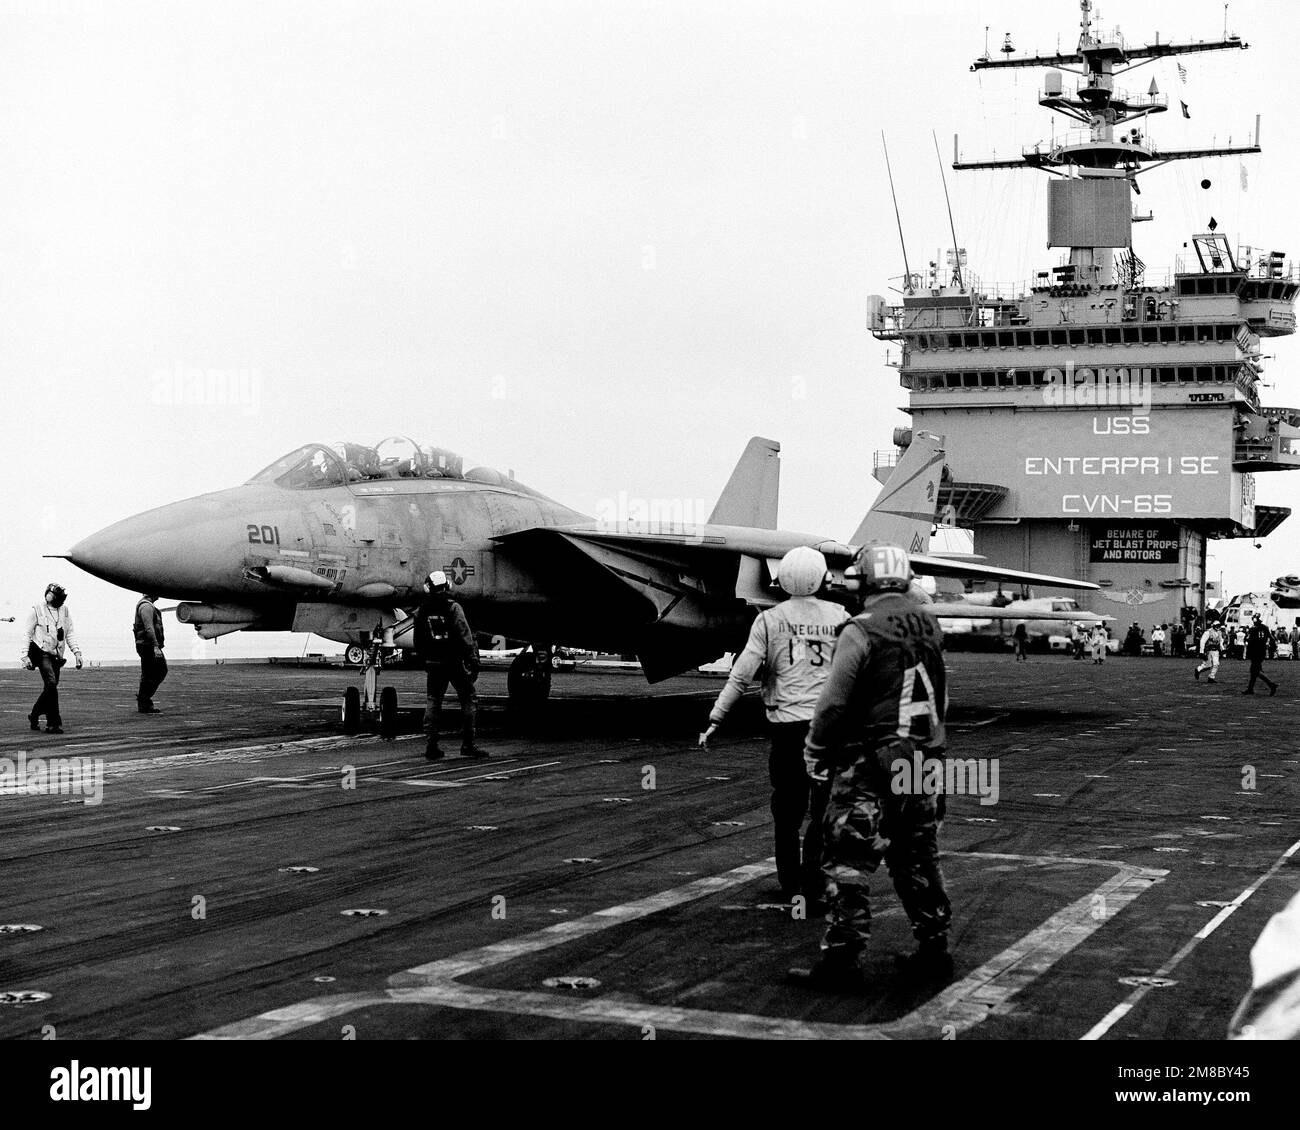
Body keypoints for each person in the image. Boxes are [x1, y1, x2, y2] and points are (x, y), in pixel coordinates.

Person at [788, 543, 952, 991]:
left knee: (847, 862)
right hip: (923, 760)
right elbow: (941, 697)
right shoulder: (930, 624)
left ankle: (843, 960)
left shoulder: (860, 629)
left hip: (871, 761)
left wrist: (815, 750)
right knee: (917, 858)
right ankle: (934, 949)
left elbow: (834, 701)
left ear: (863, 582)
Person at [700, 546, 847, 903]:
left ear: (780, 580)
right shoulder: (841, 616)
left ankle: (789, 882)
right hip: (828, 729)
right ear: (823, 577)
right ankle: (814, 883)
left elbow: (741, 675)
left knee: (787, 810)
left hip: (786, 729)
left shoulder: (768, 620)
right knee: (824, 808)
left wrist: (716, 717)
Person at [413, 570, 486, 759]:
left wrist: (425, 659)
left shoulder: (421, 610)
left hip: (433, 663)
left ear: (428, 587)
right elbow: (464, 635)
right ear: (447, 586)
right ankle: (468, 744)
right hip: (453, 662)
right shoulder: (453, 607)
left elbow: (418, 641)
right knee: (469, 700)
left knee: (433, 701)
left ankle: (431, 745)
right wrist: (473, 659)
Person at [20, 583, 83, 733]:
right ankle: (53, 723)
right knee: (51, 684)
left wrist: (77, 653)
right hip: (42, 653)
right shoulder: (37, 610)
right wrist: (24, 655)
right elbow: (27, 634)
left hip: (56, 655)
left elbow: (69, 633)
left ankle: (34, 715)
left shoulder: (65, 611)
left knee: (50, 688)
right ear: (49, 596)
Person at [133, 593, 167, 714]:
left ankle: (144, 702)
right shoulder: (146, 607)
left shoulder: (146, 606)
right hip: (148, 645)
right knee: (161, 670)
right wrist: (156, 646)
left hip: (146, 644)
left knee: (148, 673)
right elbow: (149, 628)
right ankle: (144, 699)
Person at [1243, 614, 1278, 696]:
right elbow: (1272, 638)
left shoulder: (1253, 629)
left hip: (1255, 652)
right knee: (1254, 671)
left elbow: (1248, 640)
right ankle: (1250, 689)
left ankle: (1271, 684)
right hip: (1261, 652)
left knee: (1255, 671)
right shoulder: (1265, 628)